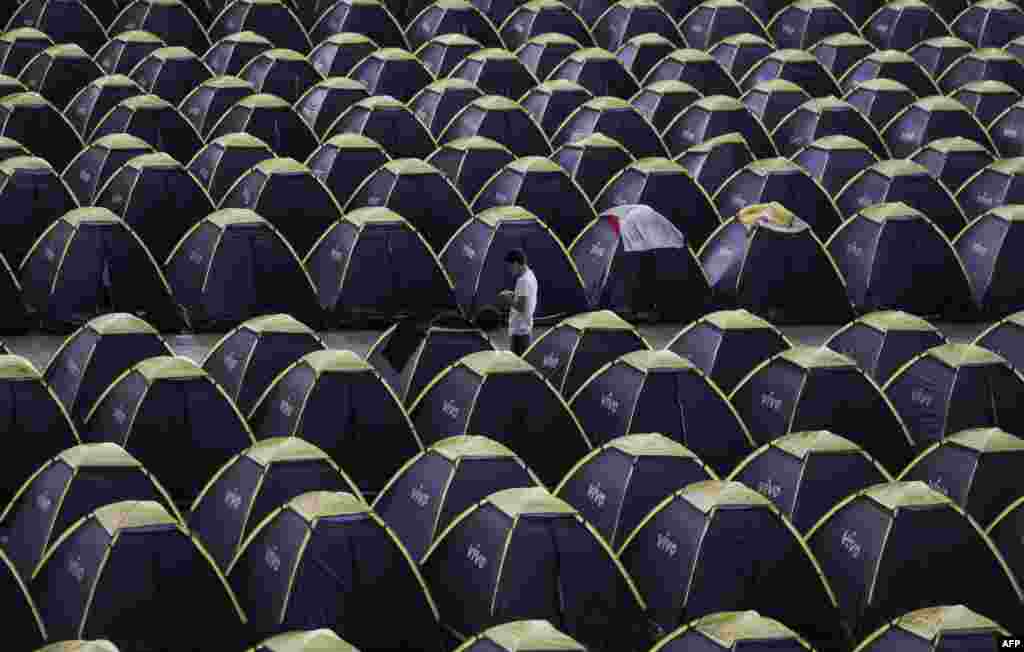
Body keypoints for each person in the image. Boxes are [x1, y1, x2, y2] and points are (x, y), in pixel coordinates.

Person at [498, 249, 537, 356]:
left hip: (519, 332)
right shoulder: (530, 275)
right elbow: (526, 298)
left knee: (518, 367)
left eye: (509, 266)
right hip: (525, 329)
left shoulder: (522, 281)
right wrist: (513, 293)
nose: (509, 270)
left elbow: (521, 307)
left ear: (515, 263)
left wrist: (507, 298)